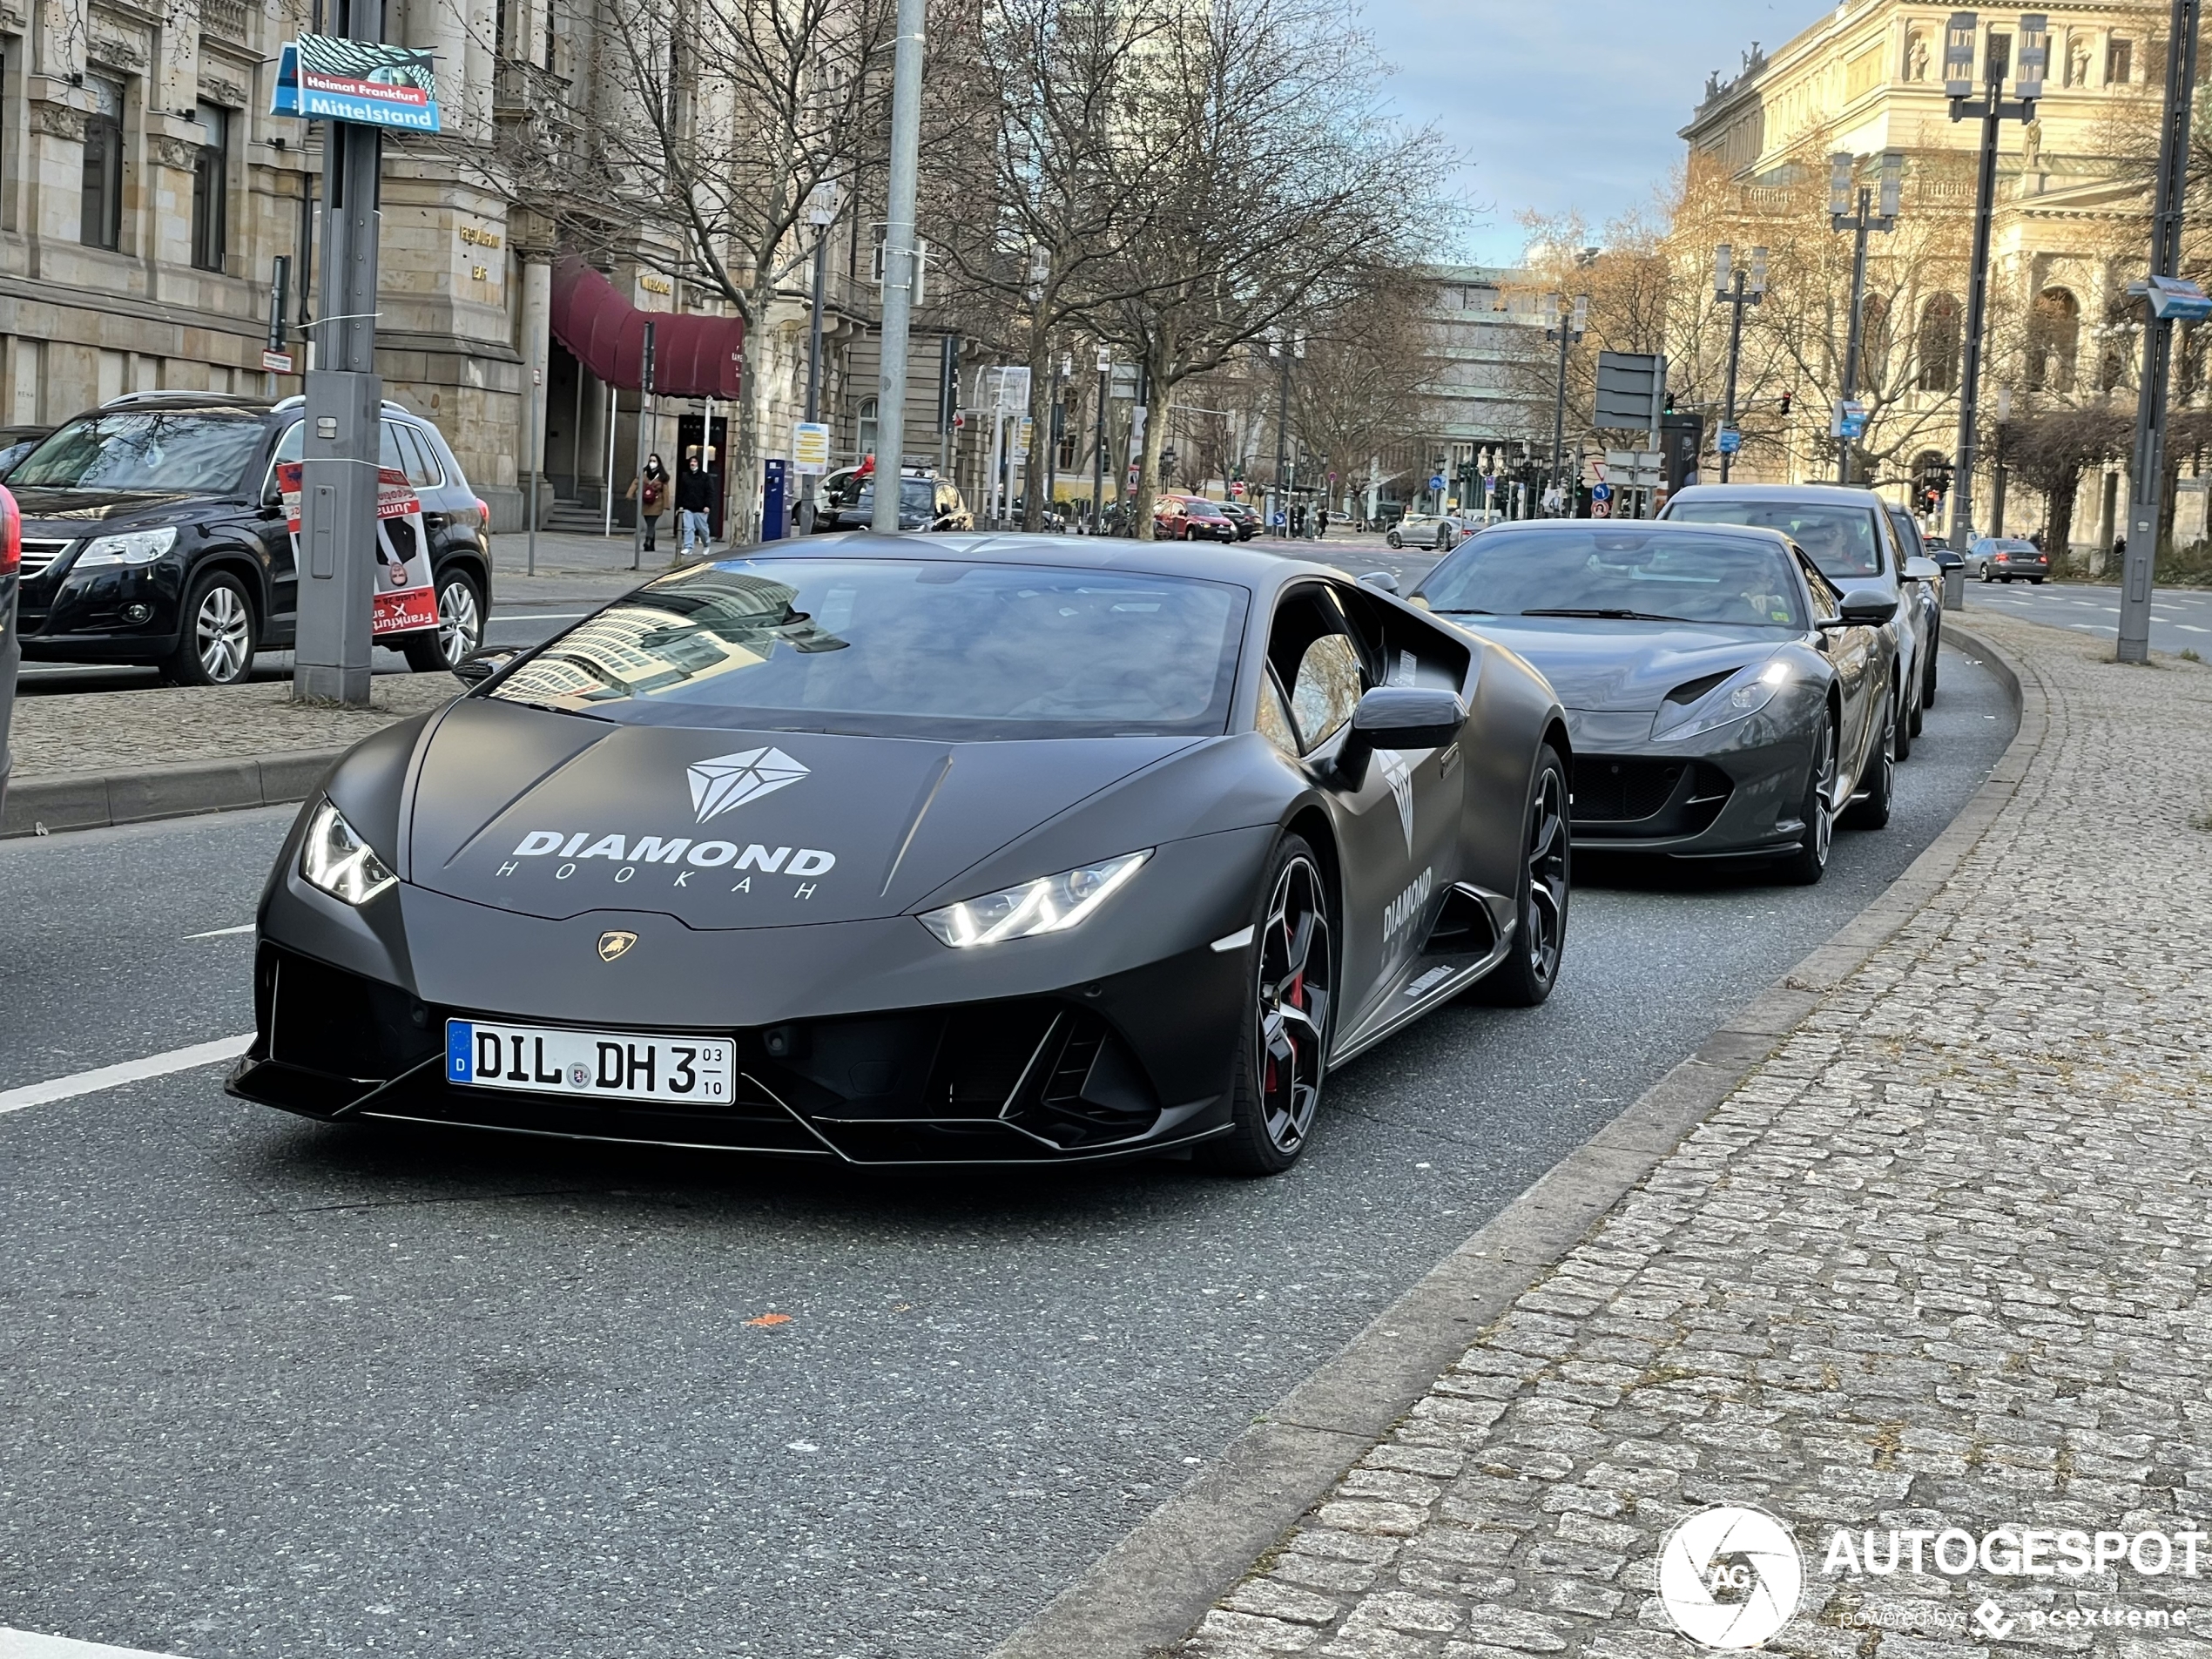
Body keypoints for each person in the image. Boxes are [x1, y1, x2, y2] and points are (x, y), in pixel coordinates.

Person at [626, 453, 670, 552]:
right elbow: (635, 483)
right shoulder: (643, 473)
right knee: (649, 523)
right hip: (646, 502)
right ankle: (651, 546)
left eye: (654, 461)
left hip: (657, 502)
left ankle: (648, 540)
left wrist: (666, 504)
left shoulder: (663, 476)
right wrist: (630, 494)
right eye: (650, 461)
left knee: (651, 523)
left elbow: (666, 491)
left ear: (658, 463)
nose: (652, 463)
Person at [676, 455, 715, 557]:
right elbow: (681, 492)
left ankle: (706, 544)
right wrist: (680, 505)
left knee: (702, 529)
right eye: (691, 462)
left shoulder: (705, 477)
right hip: (688, 506)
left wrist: (708, 505)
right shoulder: (685, 476)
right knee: (688, 528)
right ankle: (688, 547)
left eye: (695, 462)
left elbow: (709, 492)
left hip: (701, 508)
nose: (692, 464)